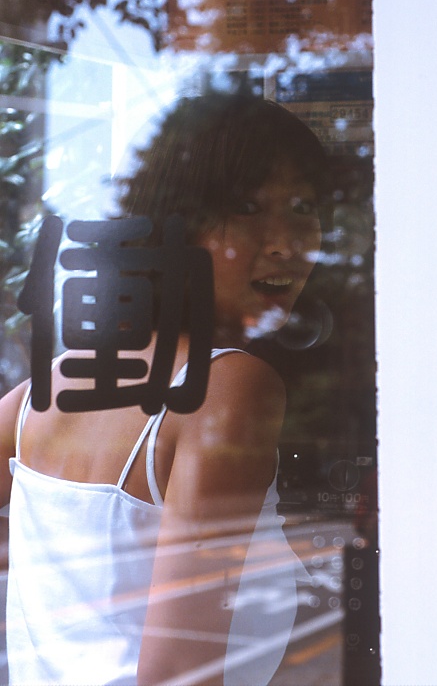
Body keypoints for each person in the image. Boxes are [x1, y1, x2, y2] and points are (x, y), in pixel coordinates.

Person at [0, 91, 329, 685]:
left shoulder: (46, 390)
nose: (286, 242)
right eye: (247, 207)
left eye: (304, 207)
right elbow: (178, 671)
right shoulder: (227, 385)